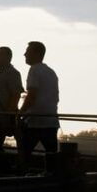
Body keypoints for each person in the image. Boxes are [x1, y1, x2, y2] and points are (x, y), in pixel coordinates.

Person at [18, 41, 60, 172]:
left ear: (36, 53)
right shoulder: (51, 72)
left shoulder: (34, 70)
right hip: (51, 120)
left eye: (28, 51)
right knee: (52, 157)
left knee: (24, 155)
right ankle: (53, 183)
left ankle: (19, 183)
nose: (24, 54)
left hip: (35, 122)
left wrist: (20, 113)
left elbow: (31, 96)